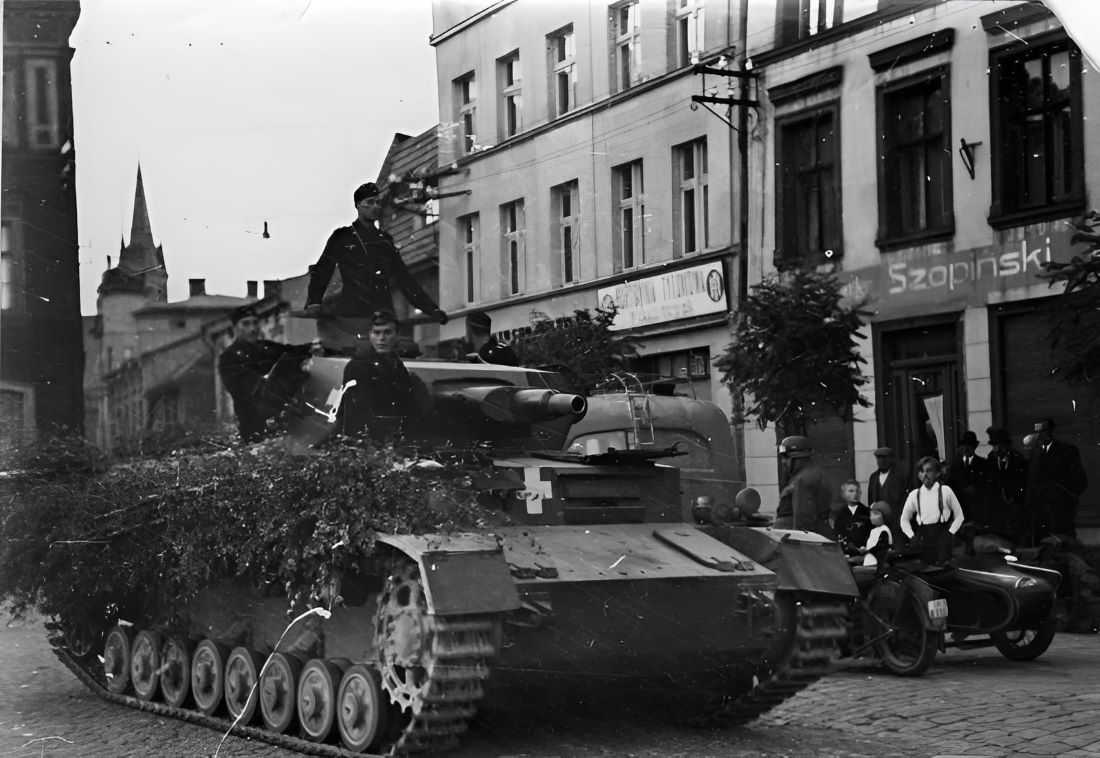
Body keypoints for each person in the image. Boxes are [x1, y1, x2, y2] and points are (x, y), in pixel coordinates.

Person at [304, 182, 448, 345]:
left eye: (378, 202)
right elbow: (323, 269)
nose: (376, 207)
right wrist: (314, 301)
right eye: (370, 202)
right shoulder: (342, 237)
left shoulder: (384, 240)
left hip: (383, 314)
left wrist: (431, 309)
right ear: (358, 206)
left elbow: (405, 279)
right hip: (353, 315)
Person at [218, 305, 321, 443]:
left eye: (255, 322)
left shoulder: (264, 347)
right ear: (235, 327)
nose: (253, 328)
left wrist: (313, 347)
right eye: (246, 323)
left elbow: (291, 351)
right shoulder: (229, 357)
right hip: (255, 425)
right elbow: (250, 391)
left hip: (284, 423)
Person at [338, 310, 423, 441]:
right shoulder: (359, 365)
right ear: (370, 335)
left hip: (393, 438)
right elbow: (356, 414)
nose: (381, 338)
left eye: (387, 332)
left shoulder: (396, 364)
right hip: (369, 441)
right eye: (377, 333)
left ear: (397, 335)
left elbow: (408, 406)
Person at [1026, 417, 1088, 540]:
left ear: (1051, 431)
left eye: (1043, 431)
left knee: (1063, 538)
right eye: (1036, 432)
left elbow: (1079, 479)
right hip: (1040, 506)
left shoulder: (1067, 450)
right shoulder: (1035, 453)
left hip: (1060, 505)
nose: (1039, 435)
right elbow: (1032, 478)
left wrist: (1068, 497)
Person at [899, 456, 965, 565]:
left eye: (928, 471)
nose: (925, 474)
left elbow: (959, 516)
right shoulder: (914, 495)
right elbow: (904, 520)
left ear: (937, 473)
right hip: (923, 538)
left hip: (942, 537)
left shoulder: (945, 491)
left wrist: (950, 533)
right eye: (921, 471)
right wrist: (911, 535)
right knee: (925, 570)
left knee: (942, 570)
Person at [775, 436, 834, 536]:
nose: (784, 462)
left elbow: (803, 518)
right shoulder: (813, 473)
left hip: (797, 539)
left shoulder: (803, 479)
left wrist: (796, 541)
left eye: (786, 457)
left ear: (797, 458)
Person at [985, 426, 1028, 540]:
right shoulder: (992, 458)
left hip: (1014, 500)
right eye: (994, 445)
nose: (996, 448)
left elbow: (1021, 481)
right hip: (997, 500)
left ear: (1006, 445)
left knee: (1014, 528)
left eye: (999, 445)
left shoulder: (1016, 458)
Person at [945, 430, 990, 527]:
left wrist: (975, 488)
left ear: (975, 447)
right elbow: (951, 483)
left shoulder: (982, 464)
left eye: (971, 446)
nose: (968, 449)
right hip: (961, 506)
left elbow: (986, 484)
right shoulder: (956, 465)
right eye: (966, 447)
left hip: (976, 507)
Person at [866, 447, 909, 541]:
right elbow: (871, 500)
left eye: (884, 458)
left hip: (896, 523)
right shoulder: (873, 477)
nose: (881, 461)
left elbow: (904, 500)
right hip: (878, 524)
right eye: (879, 458)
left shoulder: (899, 477)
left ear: (891, 459)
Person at [833, 479, 872, 556]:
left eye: (857, 491)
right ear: (843, 494)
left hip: (865, 554)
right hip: (846, 555)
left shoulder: (867, 512)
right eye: (851, 491)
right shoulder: (840, 514)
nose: (855, 494)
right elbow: (838, 535)